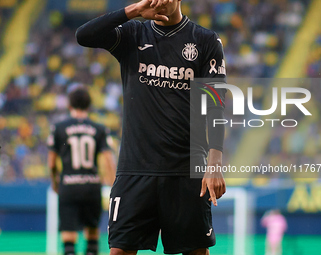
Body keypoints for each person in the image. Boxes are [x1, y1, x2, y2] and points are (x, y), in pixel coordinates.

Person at [76, 0, 227, 254]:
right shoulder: (132, 33)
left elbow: (216, 105)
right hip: (134, 171)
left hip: (185, 171)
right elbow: (84, 35)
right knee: (120, 250)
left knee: (196, 251)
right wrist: (132, 12)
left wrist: (215, 162)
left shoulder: (205, 41)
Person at [47, 86, 116, 255]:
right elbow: (108, 159)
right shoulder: (100, 129)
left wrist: (55, 182)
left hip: (68, 186)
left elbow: (51, 163)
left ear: (69, 105)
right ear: (89, 105)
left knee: (69, 238)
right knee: (92, 235)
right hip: (91, 187)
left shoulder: (59, 128)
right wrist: (114, 182)